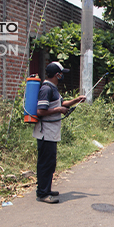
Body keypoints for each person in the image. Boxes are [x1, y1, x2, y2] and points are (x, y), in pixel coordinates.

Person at [33, 62, 86, 204]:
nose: (63, 76)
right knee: (45, 163)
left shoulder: (53, 89)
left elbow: (61, 103)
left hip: (51, 133)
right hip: (45, 133)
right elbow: (40, 111)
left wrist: (76, 100)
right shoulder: (46, 89)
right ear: (57, 74)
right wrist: (58, 110)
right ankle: (43, 193)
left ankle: (46, 189)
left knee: (50, 163)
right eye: (62, 73)